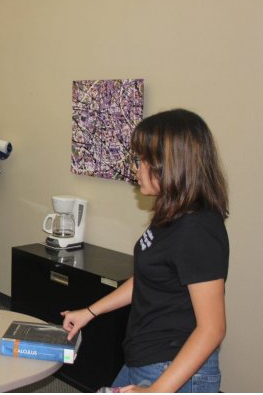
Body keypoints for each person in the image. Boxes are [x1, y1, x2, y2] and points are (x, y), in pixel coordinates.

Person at [62, 109, 229, 393]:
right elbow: (149, 277)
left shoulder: (197, 229)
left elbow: (212, 328)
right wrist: (90, 312)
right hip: (145, 359)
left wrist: (154, 392)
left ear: (169, 164)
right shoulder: (172, 212)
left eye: (140, 160)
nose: (134, 169)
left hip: (173, 370)